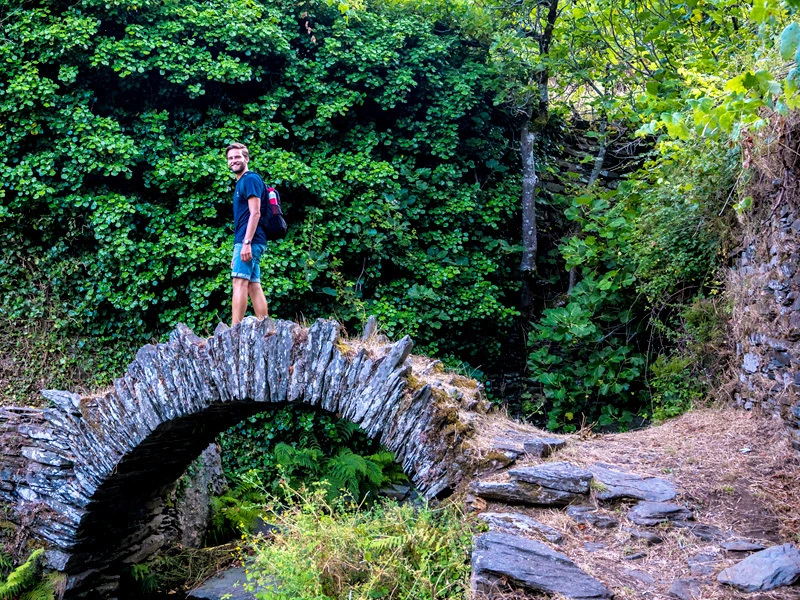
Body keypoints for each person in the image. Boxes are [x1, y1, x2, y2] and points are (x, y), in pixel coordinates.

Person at [226, 142, 269, 325]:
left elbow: (256, 212)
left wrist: (246, 243)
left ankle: (234, 332)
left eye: (238, 157)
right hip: (247, 240)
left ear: (246, 158)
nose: (234, 161)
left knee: (239, 283)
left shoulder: (250, 179)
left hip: (250, 240)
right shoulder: (242, 182)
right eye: (230, 158)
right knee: (253, 285)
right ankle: (267, 329)